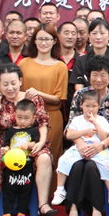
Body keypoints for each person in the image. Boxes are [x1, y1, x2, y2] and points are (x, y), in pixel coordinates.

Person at [0, 65, 48, 216]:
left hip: (32, 142)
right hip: (6, 144)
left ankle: (43, 205)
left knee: (44, 158)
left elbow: (43, 123)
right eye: (5, 84)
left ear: (20, 81)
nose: (10, 88)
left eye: (13, 83)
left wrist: (41, 143)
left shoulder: (32, 98)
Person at [58, 90, 109, 216]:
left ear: (99, 106)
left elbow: (107, 137)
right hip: (79, 151)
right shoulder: (77, 119)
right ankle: (73, 211)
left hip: (99, 151)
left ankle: (97, 211)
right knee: (76, 166)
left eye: (94, 106)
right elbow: (69, 134)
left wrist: (95, 125)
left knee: (91, 167)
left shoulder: (101, 120)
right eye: (87, 106)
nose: (90, 109)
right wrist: (81, 143)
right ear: (82, 106)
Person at [18, 25, 69, 164]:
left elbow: (58, 99)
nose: (44, 43)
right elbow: (18, 91)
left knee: (50, 157)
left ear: (54, 41)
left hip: (51, 118)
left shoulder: (60, 66)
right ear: (34, 41)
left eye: (48, 39)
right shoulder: (23, 63)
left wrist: (38, 94)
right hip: (26, 118)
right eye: (40, 39)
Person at [0, 100, 41, 216]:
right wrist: (5, 149)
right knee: (8, 188)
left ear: (33, 118)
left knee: (25, 189)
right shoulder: (11, 130)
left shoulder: (34, 131)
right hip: (11, 165)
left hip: (26, 164)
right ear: (14, 116)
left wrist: (29, 145)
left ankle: (22, 213)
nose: (22, 121)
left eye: (26, 118)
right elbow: (6, 144)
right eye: (19, 117)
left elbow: (35, 143)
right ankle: (7, 213)